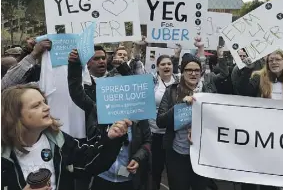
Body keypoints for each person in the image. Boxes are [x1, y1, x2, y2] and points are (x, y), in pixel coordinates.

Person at [1, 84, 131, 190]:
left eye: (44, 102)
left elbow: (89, 163)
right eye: (36, 106)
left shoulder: (58, 140)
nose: (47, 107)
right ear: (14, 116)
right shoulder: (4, 156)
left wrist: (111, 137)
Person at [68, 50, 152, 190]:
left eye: (124, 90)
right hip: (102, 177)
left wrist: (138, 158)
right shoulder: (98, 110)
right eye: (116, 90)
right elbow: (77, 92)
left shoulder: (139, 115)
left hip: (129, 180)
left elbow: (148, 142)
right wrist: (75, 64)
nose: (120, 94)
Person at [237, 50, 283, 190]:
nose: (274, 62)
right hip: (260, 136)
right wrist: (246, 69)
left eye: (278, 59)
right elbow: (244, 92)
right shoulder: (258, 77)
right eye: (271, 60)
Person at [157, 54, 209, 190]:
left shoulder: (208, 90)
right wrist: (180, 106)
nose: (193, 73)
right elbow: (160, 121)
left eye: (197, 70)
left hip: (202, 155)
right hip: (177, 154)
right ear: (182, 72)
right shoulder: (171, 91)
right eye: (189, 70)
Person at [150, 51, 181, 190]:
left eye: (169, 63)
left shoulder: (180, 81)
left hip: (174, 134)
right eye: (163, 64)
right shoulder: (151, 82)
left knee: (174, 171)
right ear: (157, 67)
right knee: (155, 170)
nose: (166, 66)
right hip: (154, 133)